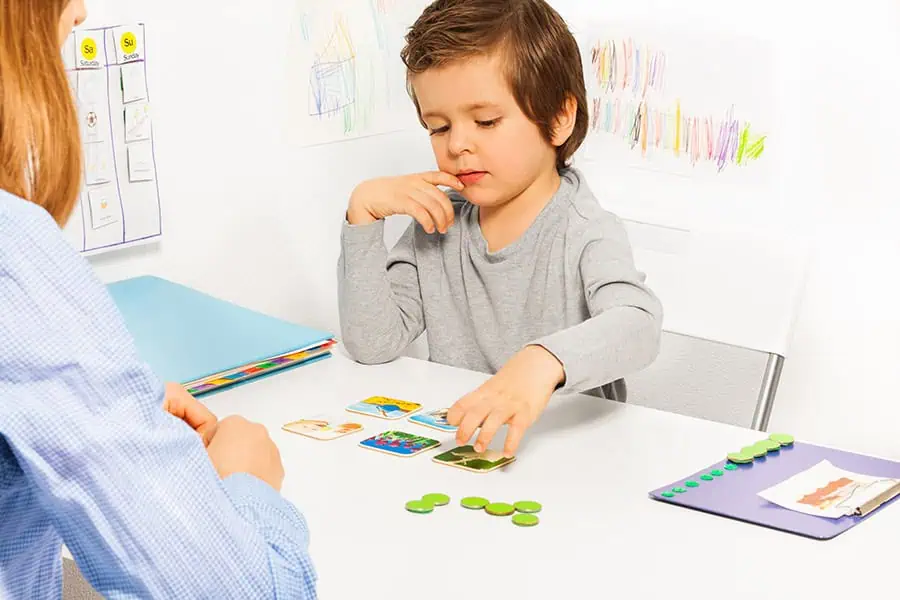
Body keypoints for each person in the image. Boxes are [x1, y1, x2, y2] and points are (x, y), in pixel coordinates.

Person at [0, 2, 317, 598]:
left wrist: (111, 406)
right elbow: (244, 592)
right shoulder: (13, 248)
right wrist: (244, 480)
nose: (82, 12)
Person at [337, 0, 663, 458]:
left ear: (558, 119)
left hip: (570, 458)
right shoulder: (437, 223)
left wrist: (541, 362)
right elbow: (373, 344)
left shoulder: (586, 229)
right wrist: (363, 218)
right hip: (472, 453)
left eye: (486, 121)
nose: (458, 144)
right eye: (438, 127)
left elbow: (639, 325)